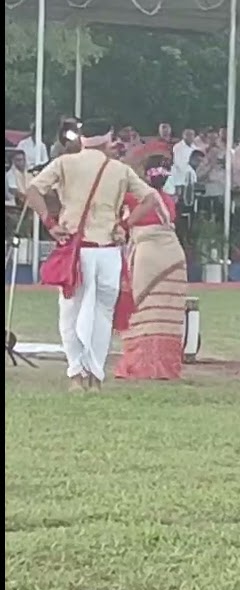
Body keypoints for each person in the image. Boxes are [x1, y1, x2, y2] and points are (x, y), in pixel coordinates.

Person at [25, 118, 158, 391]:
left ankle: (76, 374)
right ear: (108, 139)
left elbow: (32, 190)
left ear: (82, 139)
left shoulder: (64, 163)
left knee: (70, 313)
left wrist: (49, 223)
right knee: (103, 315)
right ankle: (95, 376)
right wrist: (125, 225)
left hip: (75, 247)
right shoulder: (119, 169)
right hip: (108, 248)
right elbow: (150, 199)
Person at [114, 159, 187, 381]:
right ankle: (165, 365)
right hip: (173, 255)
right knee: (166, 311)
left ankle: (141, 365)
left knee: (141, 309)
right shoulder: (168, 200)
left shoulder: (135, 197)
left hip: (147, 253)